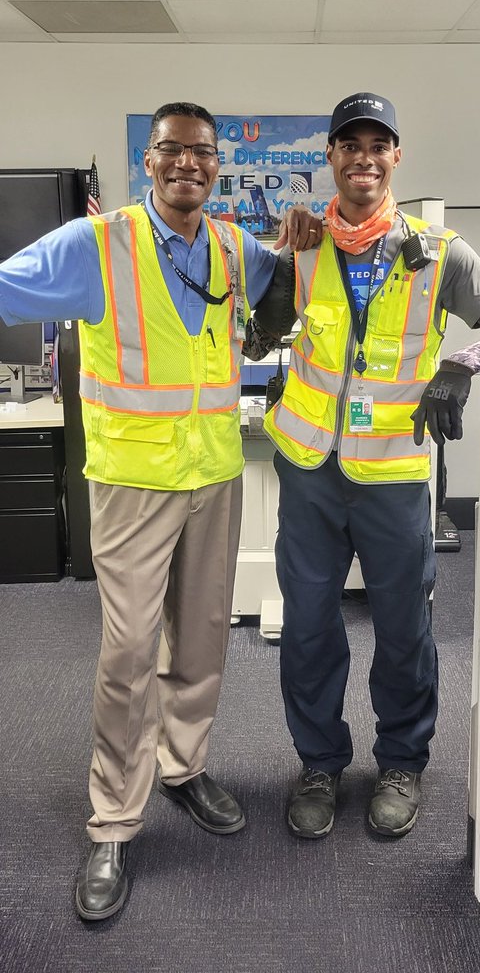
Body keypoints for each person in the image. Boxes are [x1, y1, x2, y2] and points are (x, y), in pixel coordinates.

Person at [0, 101, 322, 921]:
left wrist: (300, 245)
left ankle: (182, 767)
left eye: (203, 153)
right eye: (173, 151)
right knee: (129, 650)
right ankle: (113, 819)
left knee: (205, 635)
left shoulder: (228, 246)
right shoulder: (95, 243)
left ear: (217, 165)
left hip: (213, 475)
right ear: (150, 161)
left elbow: (282, 284)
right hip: (133, 483)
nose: (189, 164)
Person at [252, 91, 480, 841]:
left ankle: (401, 763)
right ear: (333, 159)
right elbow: (254, 339)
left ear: (395, 158)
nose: (364, 158)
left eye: (378, 145)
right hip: (311, 475)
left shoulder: (441, 252)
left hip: (398, 476)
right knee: (310, 628)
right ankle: (319, 763)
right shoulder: (305, 245)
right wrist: (274, 258)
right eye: (350, 145)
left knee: (405, 630)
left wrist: (462, 365)